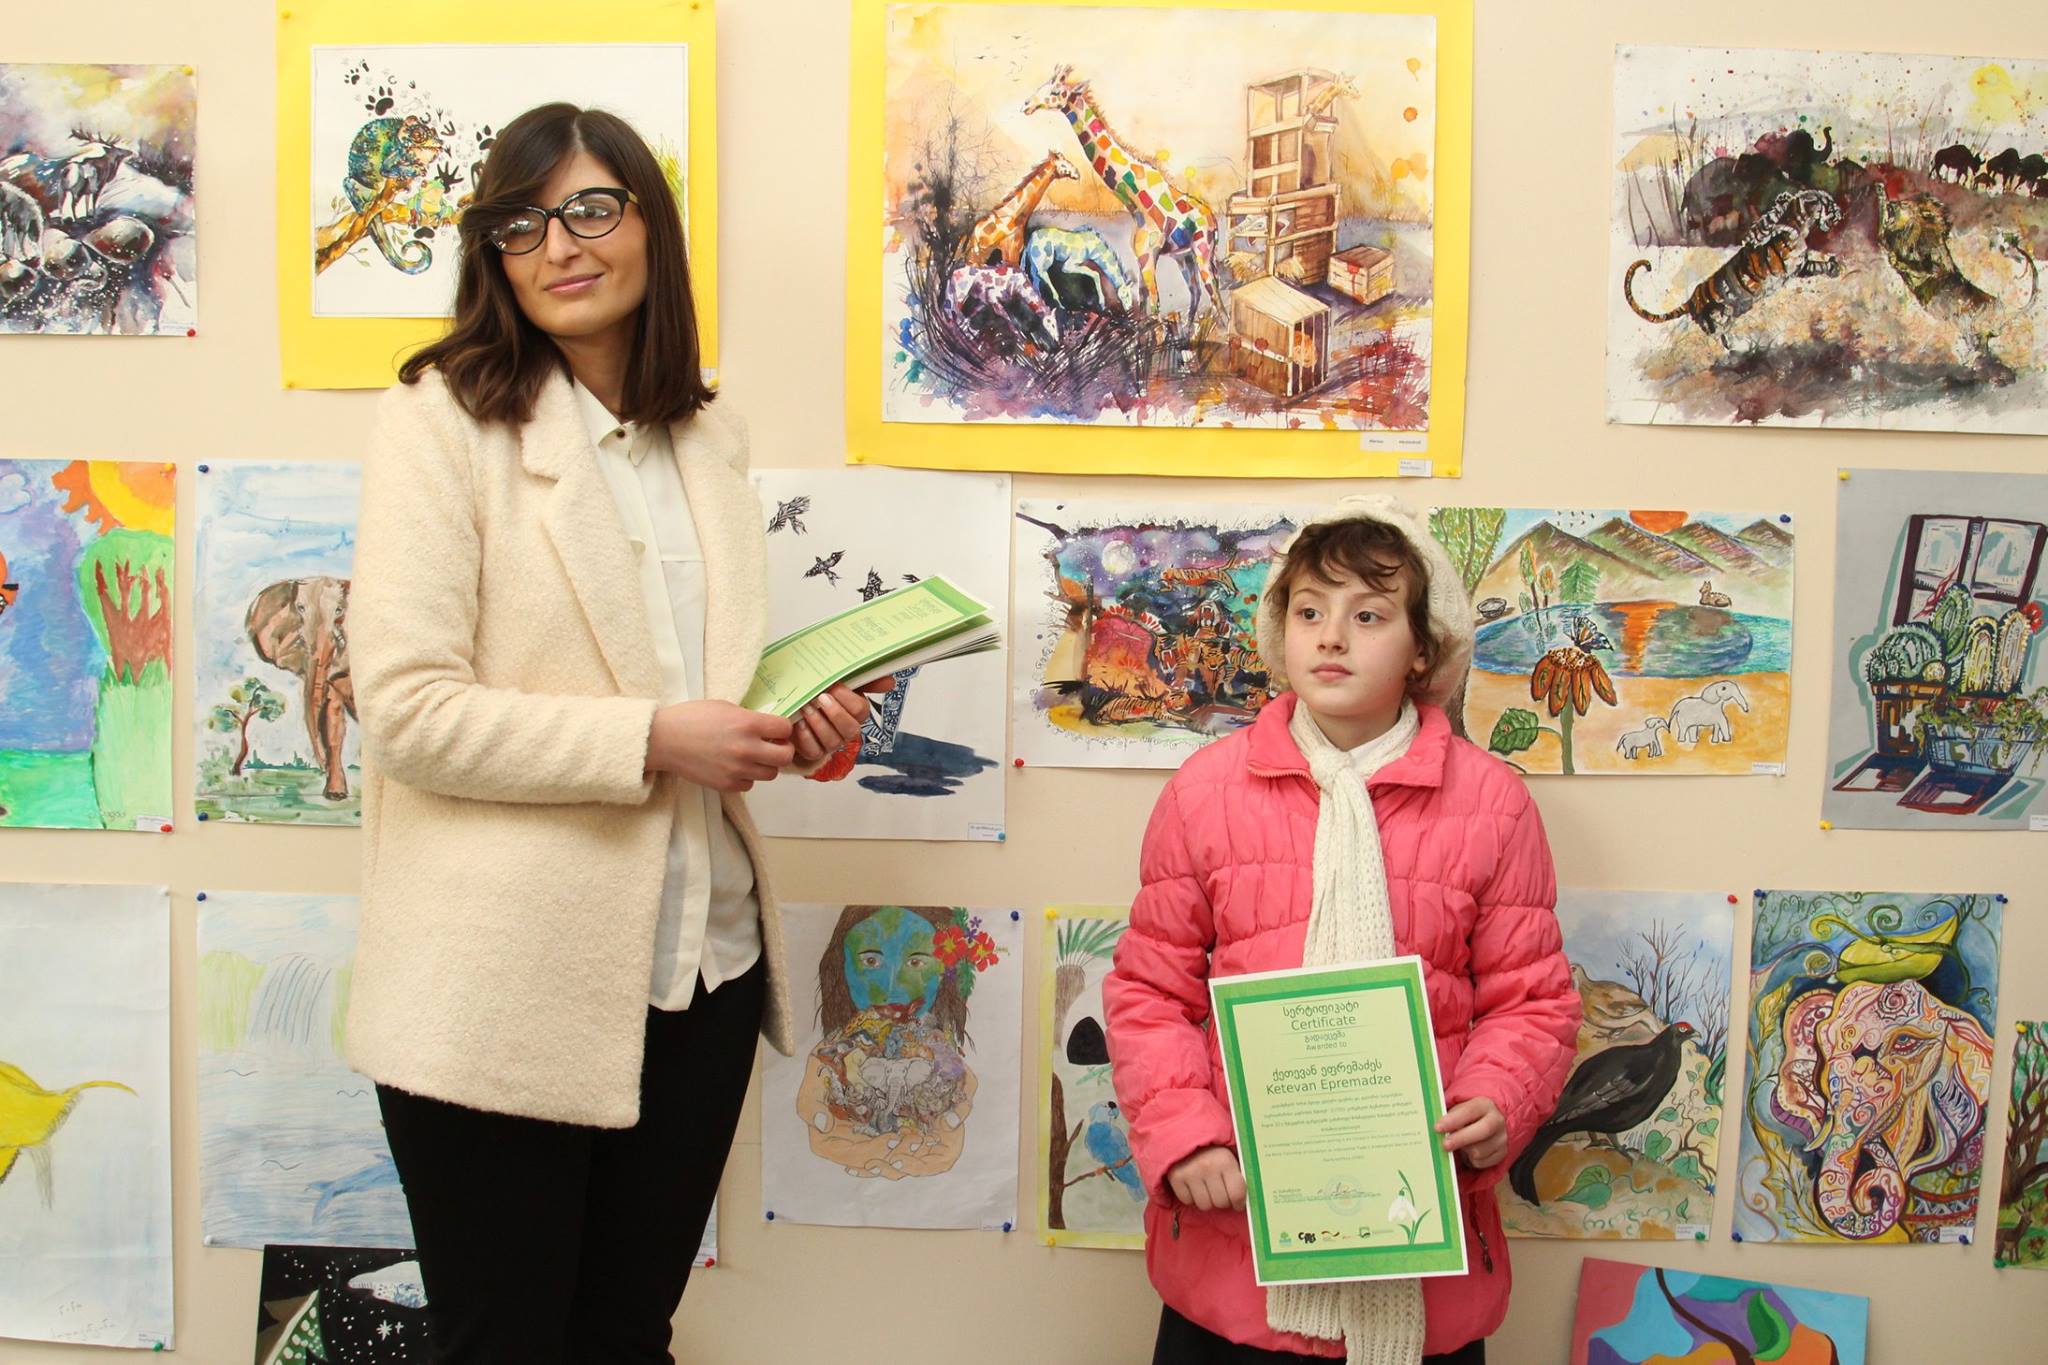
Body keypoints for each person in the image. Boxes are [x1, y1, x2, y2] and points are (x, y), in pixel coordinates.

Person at [343, 102, 874, 1363]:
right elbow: (407, 711)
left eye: (592, 208)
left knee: (628, 1338)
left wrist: (787, 722)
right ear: (492, 254)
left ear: (650, 225)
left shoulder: (708, 435)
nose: (561, 246)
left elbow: (693, 677)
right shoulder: (439, 419)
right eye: (522, 224)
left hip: (704, 969)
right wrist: (653, 741)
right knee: (504, 1344)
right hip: (500, 983)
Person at [1103, 496, 1580, 1365]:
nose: (1331, 637)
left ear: (1424, 647)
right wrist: (1184, 1133)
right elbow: (1148, 992)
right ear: (1278, 631)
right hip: (1235, 1257)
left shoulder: (1493, 804)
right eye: (1309, 612)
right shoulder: (1204, 793)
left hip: (1423, 1257)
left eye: (1368, 616)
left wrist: (1498, 1101)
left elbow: (1533, 1000)